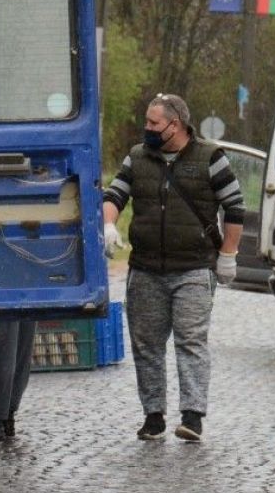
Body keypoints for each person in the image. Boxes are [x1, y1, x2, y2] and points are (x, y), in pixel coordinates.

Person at [102, 93, 245, 442]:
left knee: (190, 339)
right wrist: (108, 224)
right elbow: (114, 195)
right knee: (146, 343)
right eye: (147, 122)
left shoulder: (210, 158)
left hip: (194, 268)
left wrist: (228, 254)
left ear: (175, 125)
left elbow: (235, 208)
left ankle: (193, 416)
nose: (147, 128)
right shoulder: (138, 158)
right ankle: (153, 415)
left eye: (153, 123)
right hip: (146, 267)